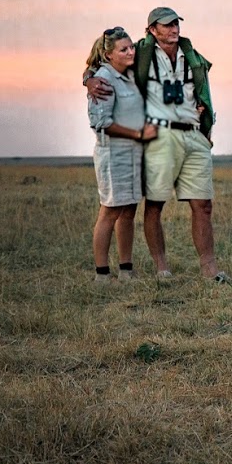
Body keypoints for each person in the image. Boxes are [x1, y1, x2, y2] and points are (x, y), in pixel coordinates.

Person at [87, 7, 225, 281]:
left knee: (203, 204)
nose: (173, 29)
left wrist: (205, 124)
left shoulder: (192, 55)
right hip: (159, 138)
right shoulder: (140, 53)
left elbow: (202, 89)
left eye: (175, 23)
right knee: (155, 204)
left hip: (194, 134)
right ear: (152, 29)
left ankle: (210, 271)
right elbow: (106, 61)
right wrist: (89, 79)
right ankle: (161, 268)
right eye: (166, 25)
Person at [84, 27, 159, 283]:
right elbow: (102, 123)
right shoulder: (103, 79)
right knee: (110, 211)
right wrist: (138, 134)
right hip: (113, 153)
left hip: (133, 154)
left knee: (128, 211)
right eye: (123, 49)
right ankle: (102, 274)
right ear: (108, 54)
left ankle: (126, 270)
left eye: (131, 47)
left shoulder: (127, 75)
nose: (130, 52)